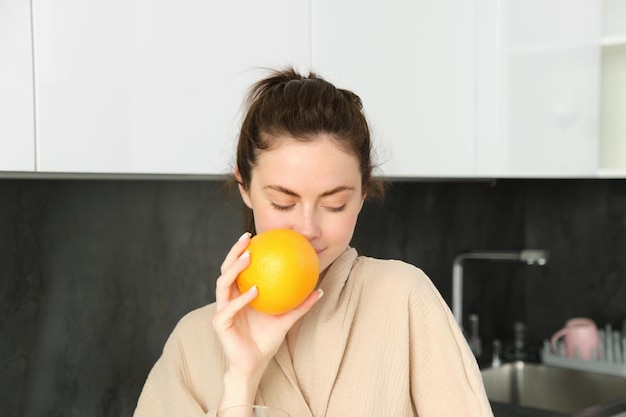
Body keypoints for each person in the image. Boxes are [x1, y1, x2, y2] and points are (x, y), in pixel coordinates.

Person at [133, 68, 493, 417]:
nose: (307, 229)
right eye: (283, 203)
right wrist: (241, 379)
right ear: (245, 186)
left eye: (334, 205)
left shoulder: (404, 300)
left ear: (363, 194)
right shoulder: (191, 343)